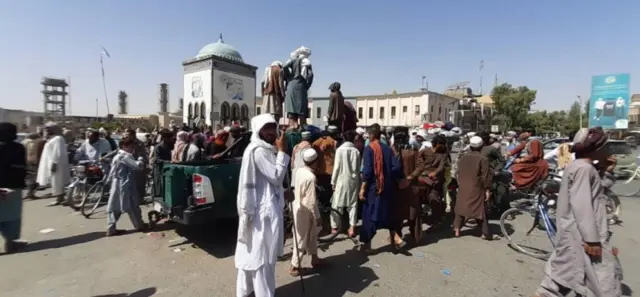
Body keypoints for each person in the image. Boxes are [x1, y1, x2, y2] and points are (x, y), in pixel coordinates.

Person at [533, 127, 622, 297]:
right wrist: (592, 239)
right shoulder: (583, 169)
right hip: (581, 235)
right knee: (601, 282)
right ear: (596, 149)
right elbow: (582, 204)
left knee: (562, 279)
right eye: (606, 146)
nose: (609, 150)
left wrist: (607, 171)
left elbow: (595, 192)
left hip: (576, 233)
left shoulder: (582, 167)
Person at [235, 114, 289, 297]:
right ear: (258, 130)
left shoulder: (265, 149)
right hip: (261, 213)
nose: (271, 132)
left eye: (273, 127)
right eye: (266, 128)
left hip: (261, 210)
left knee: (254, 255)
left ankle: (249, 292)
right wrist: (282, 152)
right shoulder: (259, 151)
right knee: (263, 258)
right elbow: (275, 176)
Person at [359, 124, 406, 253]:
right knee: (387, 213)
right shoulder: (387, 149)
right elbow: (396, 167)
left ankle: (367, 245)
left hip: (374, 187)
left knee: (370, 215)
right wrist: (388, 176)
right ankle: (396, 237)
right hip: (388, 186)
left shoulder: (369, 149)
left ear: (372, 135)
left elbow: (367, 171)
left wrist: (362, 188)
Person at [290, 147, 325, 276]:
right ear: (315, 161)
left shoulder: (300, 171)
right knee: (301, 238)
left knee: (311, 234)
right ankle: (294, 266)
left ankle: (314, 259)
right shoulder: (310, 177)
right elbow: (311, 201)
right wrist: (317, 216)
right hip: (305, 210)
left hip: (298, 206)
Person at [453, 136, 495, 240]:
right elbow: (485, 176)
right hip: (476, 187)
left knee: (461, 207)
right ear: (481, 147)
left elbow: (458, 172)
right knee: (480, 209)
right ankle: (485, 233)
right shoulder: (483, 159)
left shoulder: (463, 157)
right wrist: (487, 190)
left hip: (463, 185)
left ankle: (457, 228)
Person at [105, 138, 148, 236]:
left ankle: (111, 228)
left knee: (114, 207)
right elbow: (138, 166)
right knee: (132, 206)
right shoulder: (125, 156)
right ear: (124, 146)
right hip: (126, 184)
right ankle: (139, 225)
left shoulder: (117, 156)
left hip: (117, 184)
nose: (133, 149)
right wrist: (141, 159)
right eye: (131, 147)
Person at [0, 123, 28, 253]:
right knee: (13, 216)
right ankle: (10, 243)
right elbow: (21, 168)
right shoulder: (19, 148)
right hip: (13, 187)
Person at [410, 135, 448, 226]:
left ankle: (436, 219)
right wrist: (420, 169)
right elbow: (418, 161)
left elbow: (441, 167)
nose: (442, 146)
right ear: (436, 143)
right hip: (422, 177)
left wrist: (434, 173)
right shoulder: (425, 151)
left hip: (435, 179)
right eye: (441, 144)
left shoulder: (443, 154)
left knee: (434, 198)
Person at [392, 132, 423, 244]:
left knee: (397, 213)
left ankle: (396, 237)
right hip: (411, 186)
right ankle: (416, 236)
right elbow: (420, 167)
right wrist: (410, 178)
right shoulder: (414, 151)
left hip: (397, 187)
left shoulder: (391, 151)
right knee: (413, 213)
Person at [331, 130, 361, 237]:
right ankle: (352, 228)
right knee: (353, 205)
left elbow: (337, 167)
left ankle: (335, 227)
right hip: (353, 181)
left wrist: (333, 181)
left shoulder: (340, 150)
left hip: (341, 180)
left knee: (337, 203)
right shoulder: (356, 151)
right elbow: (357, 169)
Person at [37, 122, 71, 206]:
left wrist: (54, 163)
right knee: (55, 181)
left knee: (57, 181)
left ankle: (59, 198)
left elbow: (58, 152)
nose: (46, 131)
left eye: (48, 129)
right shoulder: (52, 139)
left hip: (56, 164)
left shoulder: (58, 138)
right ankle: (60, 198)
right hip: (50, 163)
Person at [312, 129, 337, 204]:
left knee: (321, 189)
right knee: (329, 190)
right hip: (330, 170)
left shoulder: (315, 143)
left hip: (319, 170)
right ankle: (328, 204)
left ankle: (322, 204)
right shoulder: (333, 142)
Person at [22, 132, 44, 199]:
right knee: (33, 179)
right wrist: (33, 162)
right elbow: (31, 153)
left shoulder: (23, 142)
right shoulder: (32, 143)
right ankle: (31, 194)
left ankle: (28, 194)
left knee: (28, 178)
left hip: (23, 162)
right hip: (30, 163)